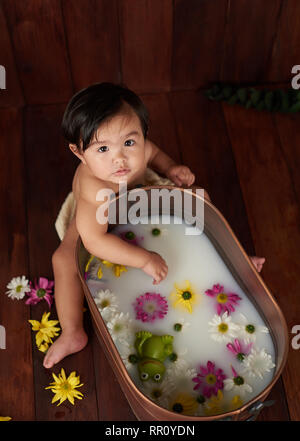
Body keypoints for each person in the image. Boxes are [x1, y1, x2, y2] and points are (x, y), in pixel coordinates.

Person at [43, 83, 265, 369]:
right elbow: (95, 241)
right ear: (79, 152)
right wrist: (143, 258)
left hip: (139, 194)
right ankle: (73, 332)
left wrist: (171, 168)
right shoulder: (93, 190)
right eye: (102, 148)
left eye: (129, 142)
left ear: (141, 133)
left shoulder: (138, 153)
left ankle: (236, 256)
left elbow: (153, 152)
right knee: (62, 260)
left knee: (200, 199)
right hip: (99, 217)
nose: (120, 158)